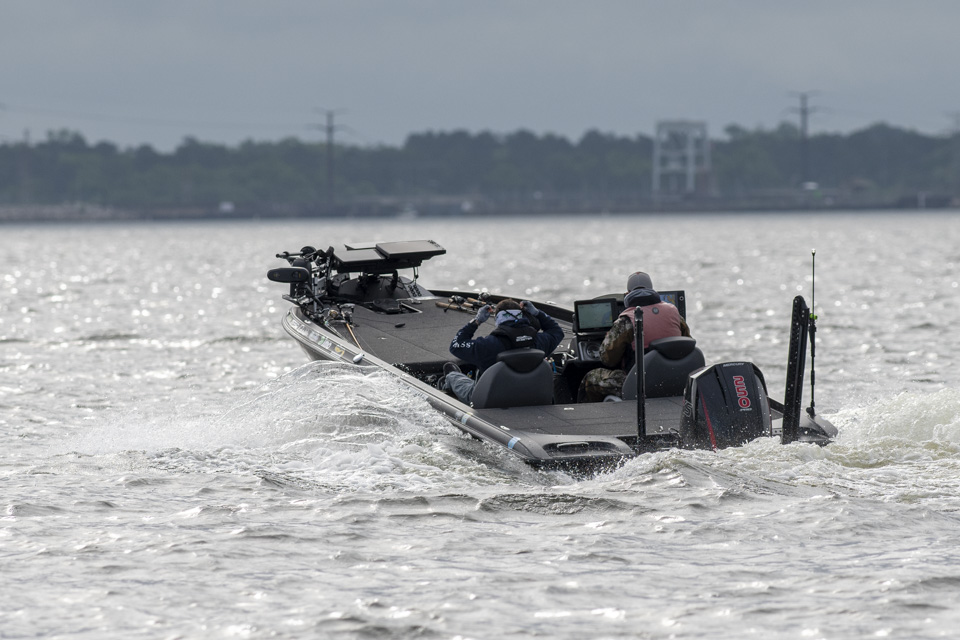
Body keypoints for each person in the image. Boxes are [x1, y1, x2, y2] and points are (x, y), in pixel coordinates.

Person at [577, 271, 691, 402]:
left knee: (591, 379)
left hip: (639, 384)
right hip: (672, 380)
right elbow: (687, 343)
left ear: (627, 294)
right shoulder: (674, 312)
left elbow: (608, 359)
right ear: (653, 290)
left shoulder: (626, 321)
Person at [443, 298, 564, 405]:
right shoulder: (540, 341)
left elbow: (455, 345)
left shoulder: (487, 345)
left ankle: (449, 380)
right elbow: (557, 331)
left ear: (498, 319)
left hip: (490, 400)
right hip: (532, 397)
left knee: (454, 377)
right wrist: (538, 313)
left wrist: (476, 321)